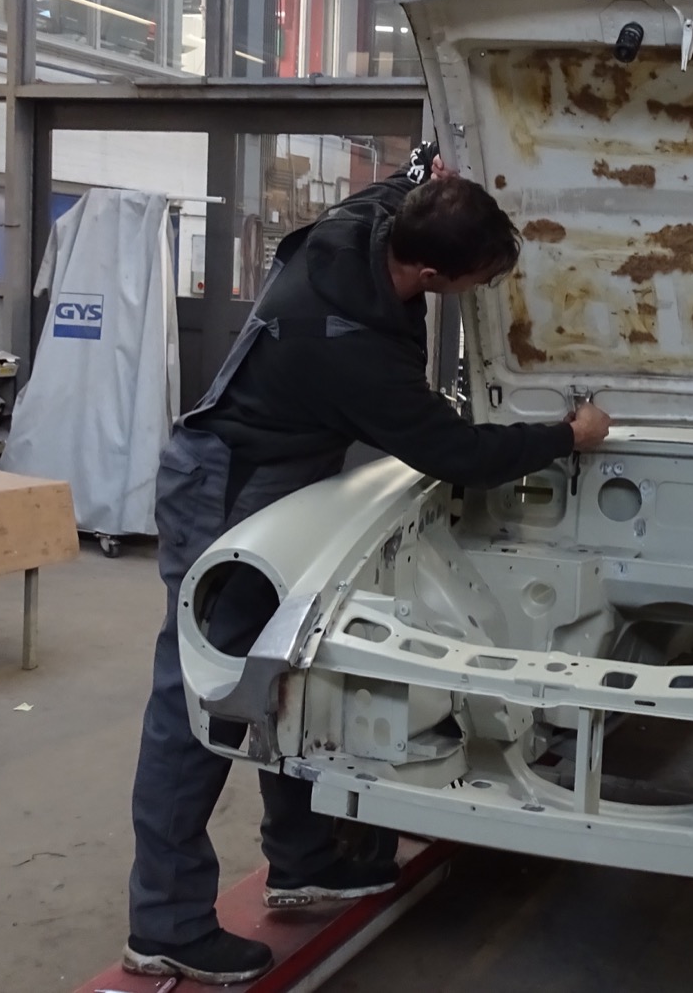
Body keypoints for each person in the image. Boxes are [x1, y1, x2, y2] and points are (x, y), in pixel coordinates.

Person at [122, 142, 612, 984]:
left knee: (288, 670)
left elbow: (401, 185)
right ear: (429, 272)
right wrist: (567, 437)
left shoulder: (371, 219)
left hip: (287, 477)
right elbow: (455, 452)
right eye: (475, 282)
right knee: (204, 700)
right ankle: (165, 922)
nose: (480, 291)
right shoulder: (348, 345)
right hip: (228, 488)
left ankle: (304, 859)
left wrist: (429, 168)